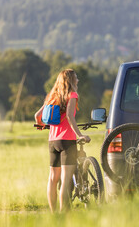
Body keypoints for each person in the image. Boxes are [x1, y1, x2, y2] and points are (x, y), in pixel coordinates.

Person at [34, 69, 91, 212]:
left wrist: (42, 125)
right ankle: (64, 215)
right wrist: (80, 135)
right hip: (67, 141)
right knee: (65, 180)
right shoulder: (72, 94)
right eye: (76, 78)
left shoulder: (52, 96)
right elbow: (70, 117)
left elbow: (37, 116)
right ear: (71, 80)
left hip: (53, 141)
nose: (77, 80)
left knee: (53, 179)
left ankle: (54, 216)